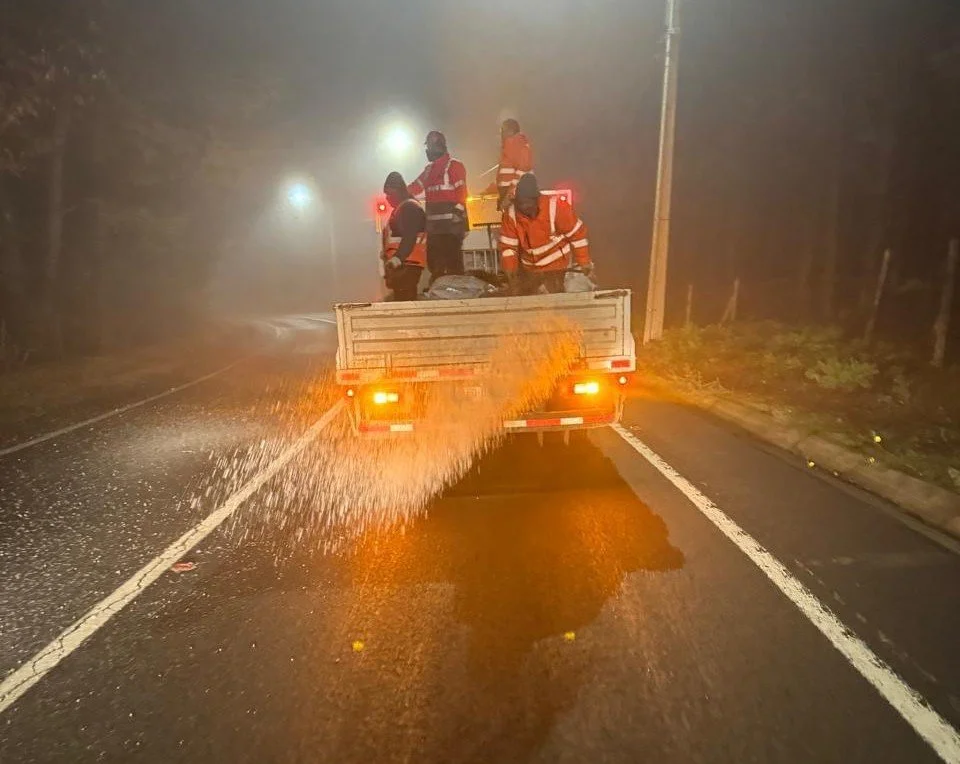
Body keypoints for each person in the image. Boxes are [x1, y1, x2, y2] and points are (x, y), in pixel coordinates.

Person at [498, 172, 592, 295]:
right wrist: (510, 269)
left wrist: (583, 261)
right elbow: (508, 247)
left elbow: (577, 235)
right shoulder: (510, 215)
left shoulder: (557, 207)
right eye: (520, 203)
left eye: (528, 203)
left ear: (537, 199)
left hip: (556, 266)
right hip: (530, 269)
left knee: (554, 302)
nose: (524, 206)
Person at [407, 131, 468, 280]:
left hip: (451, 227)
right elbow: (415, 187)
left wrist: (458, 214)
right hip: (435, 229)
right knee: (436, 265)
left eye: (429, 146)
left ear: (437, 147)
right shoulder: (429, 170)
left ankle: (458, 295)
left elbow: (462, 192)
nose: (427, 151)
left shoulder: (454, 166)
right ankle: (439, 292)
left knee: (454, 266)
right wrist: (400, 194)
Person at [381, 171, 427, 301]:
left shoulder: (409, 208)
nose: (387, 198)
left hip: (407, 264)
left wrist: (398, 258)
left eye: (389, 193)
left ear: (398, 191)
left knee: (405, 300)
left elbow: (409, 236)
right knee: (403, 301)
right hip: (404, 264)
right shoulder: (404, 208)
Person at [495, 118, 534, 212]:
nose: (501, 134)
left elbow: (522, 174)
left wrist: (508, 197)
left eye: (503, 130)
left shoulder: (517, 145)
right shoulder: (510, 146)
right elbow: (504, 177)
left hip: (516, 198)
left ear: (511, 131)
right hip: (511, 196)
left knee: (518, 225)